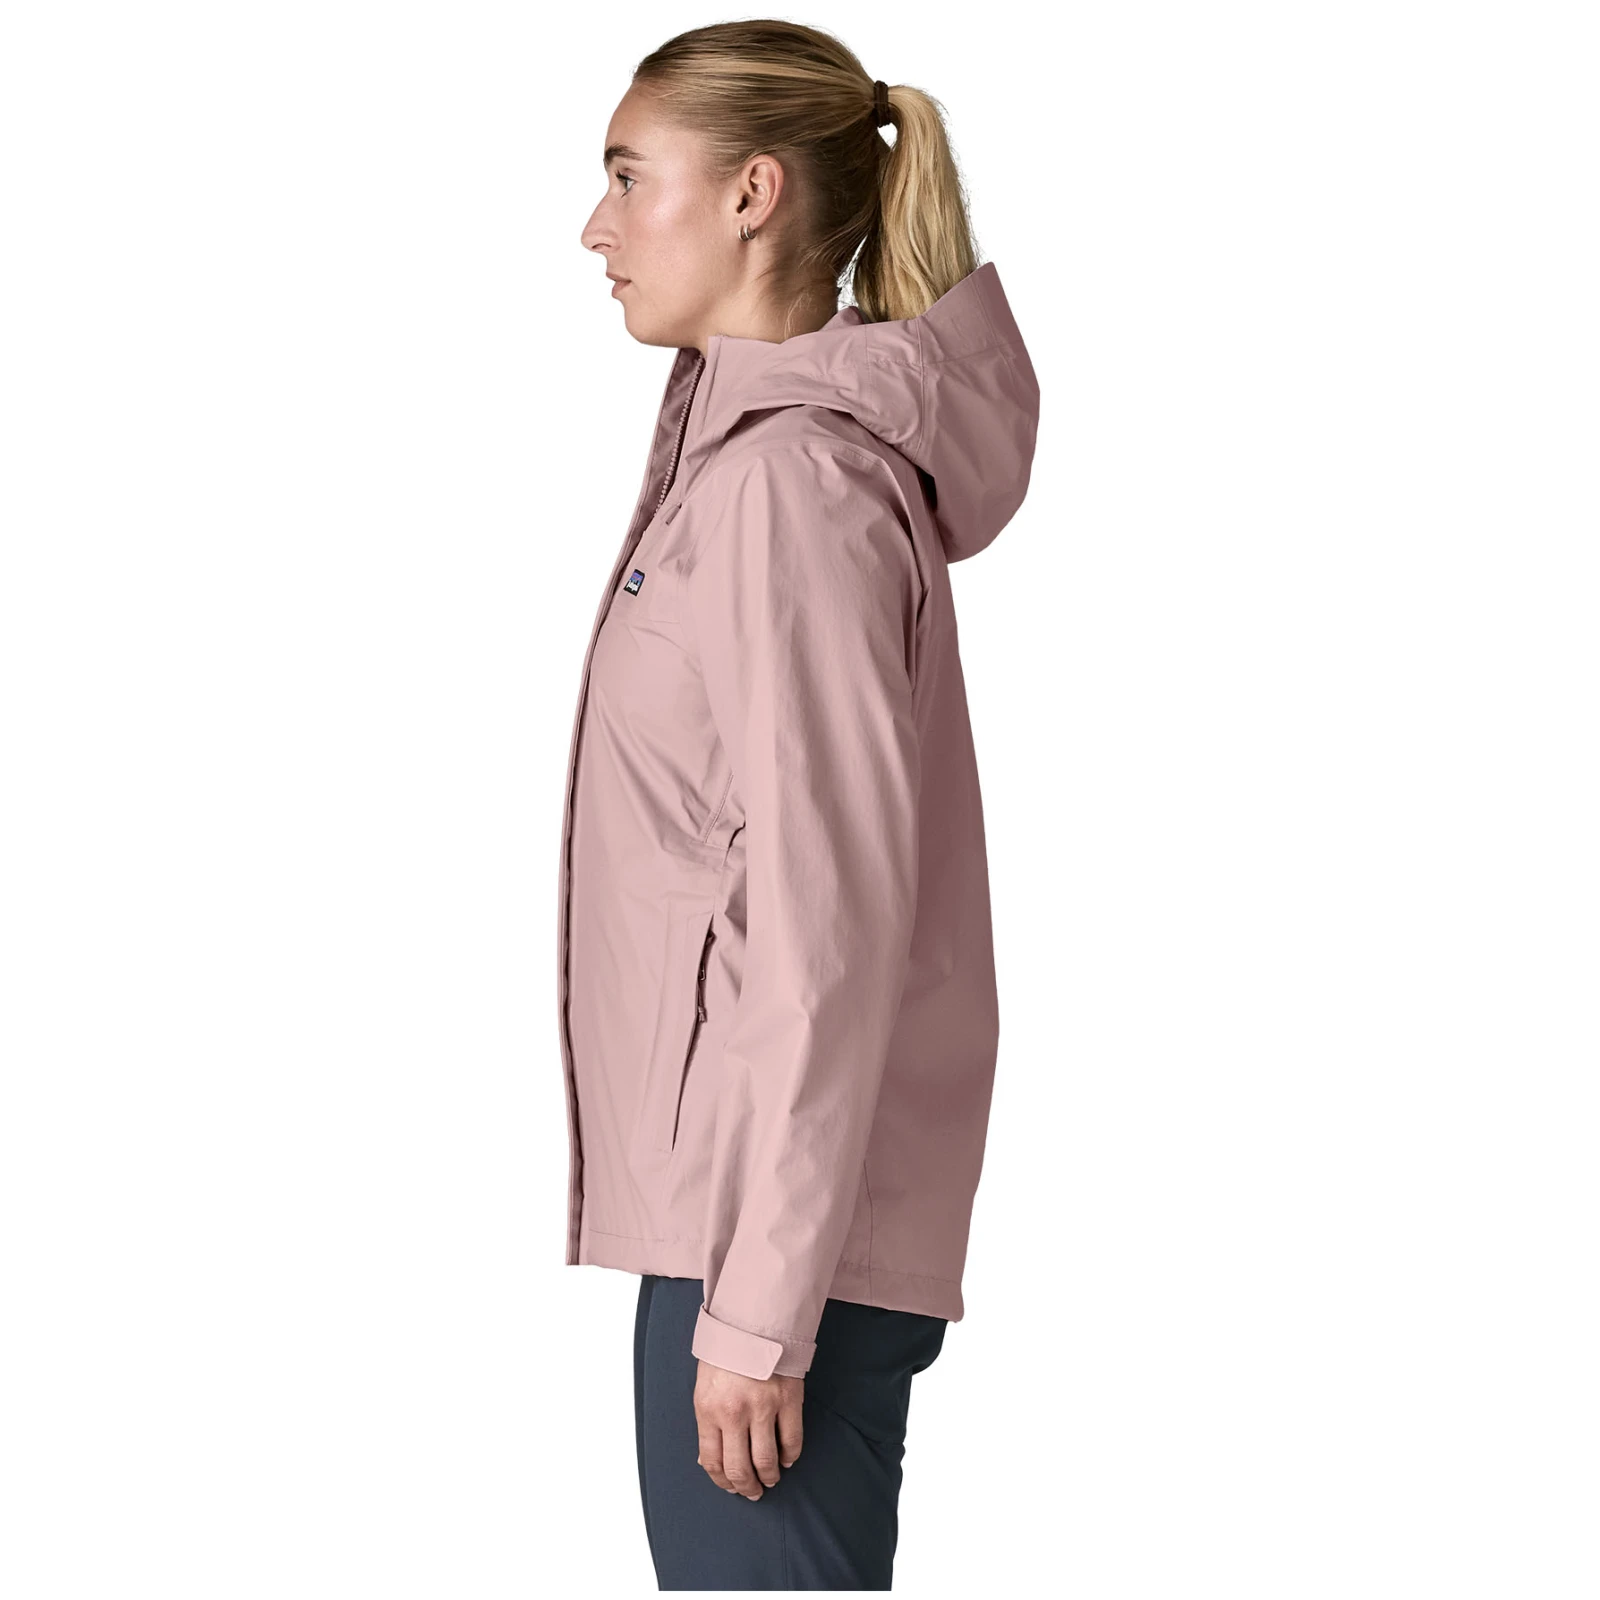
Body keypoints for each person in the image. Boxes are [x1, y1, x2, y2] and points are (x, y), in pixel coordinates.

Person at [564, 20, 1040, 1590]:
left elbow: (827, 929)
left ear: (752, 194)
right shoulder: (752, 462)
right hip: (768, 1231)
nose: (596, 228)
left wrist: (760, 1313)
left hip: (773, 1251)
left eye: (629, 178)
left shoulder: (788, 487)